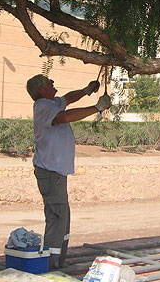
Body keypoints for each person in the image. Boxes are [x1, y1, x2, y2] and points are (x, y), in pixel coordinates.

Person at [26, 74, 111, 271]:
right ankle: (51, 266)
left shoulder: (52, 103)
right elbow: (63, 117)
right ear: (40, 90)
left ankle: (58, 261)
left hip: (56, 173)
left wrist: (86, 90)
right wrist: (96, 108)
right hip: (50, 172)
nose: (53, 82)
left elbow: (68, 99)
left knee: (62, 218)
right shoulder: (43, 107)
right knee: (57, 217)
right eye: (49, 82)